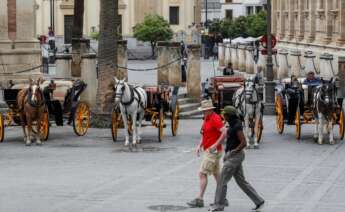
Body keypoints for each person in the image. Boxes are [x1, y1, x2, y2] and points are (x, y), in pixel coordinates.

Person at [209, 106, 265, 211]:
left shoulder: (236, 126)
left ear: (229, 115)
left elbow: (243, 142)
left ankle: (218, 205)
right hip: (236, 156)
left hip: (234, 156)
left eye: (224, 115)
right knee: (241, 181)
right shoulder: (233, 123)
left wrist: (231, 153)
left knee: (222, 180)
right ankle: (259, 200)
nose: (223, 116)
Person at [187, 99, 227, 208]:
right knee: (216, 174)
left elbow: (224, 131)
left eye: (205, 110)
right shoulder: (207, 118)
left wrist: (215, 145)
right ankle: (222, 198)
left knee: (202, 173)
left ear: (210, 109)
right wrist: (199, 145)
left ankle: (199, 199)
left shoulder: (215, 118)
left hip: (212, 152)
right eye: (203, 110)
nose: (203, 112)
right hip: (211, 150)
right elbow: (204, 133)